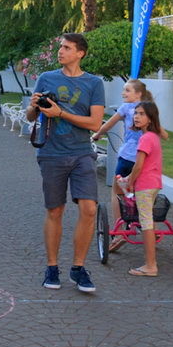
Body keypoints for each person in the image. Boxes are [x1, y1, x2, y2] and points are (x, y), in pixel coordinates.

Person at [25, 32, 105, 293]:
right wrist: (34, 105)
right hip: (51, 153)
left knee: (89, 209)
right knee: (55, 211)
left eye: (67, 48)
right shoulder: (47, 78)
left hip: (82, 152)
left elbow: (95, 123)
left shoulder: (94, 83)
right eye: (60, 47)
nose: (61, 52)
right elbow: (29, 117)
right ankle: (52, 267)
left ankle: (78, 269)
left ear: (80, 53)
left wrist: (61, 113)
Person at [92, 79, 153, 250]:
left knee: (117, 192)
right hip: (145, 158)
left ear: (138, 94)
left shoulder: (126, 108)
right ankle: (145, 224)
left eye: (127, 90)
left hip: (126, 158)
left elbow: (109, 124)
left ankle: (120, 231)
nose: (123, 93)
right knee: (140, 191)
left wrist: (97, 135)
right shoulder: (149, 109)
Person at [122, 101, 168, 278]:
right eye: (136, 113)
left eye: (142, 114)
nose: (137, 117)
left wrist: (130, 182)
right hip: (154, 183)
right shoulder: (153, 137)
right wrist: (129, 178)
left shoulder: (145, 138)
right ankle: (150, 263)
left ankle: (150, 265)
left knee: (146, 224)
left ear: (150, 118)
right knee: (147, 222)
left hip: (145, 185)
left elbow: (139, 166)